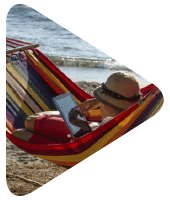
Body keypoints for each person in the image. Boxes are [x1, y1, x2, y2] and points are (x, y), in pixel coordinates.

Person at [13, 71, 141, 143]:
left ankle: (65, 113)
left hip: (88, 138)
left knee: (25, 126)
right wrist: (99, 101)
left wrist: (84, 129)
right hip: (96, 131)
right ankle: (66, 114)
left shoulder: (107, 123)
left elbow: (89, 147)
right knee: (20, 133)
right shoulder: (142, 111)